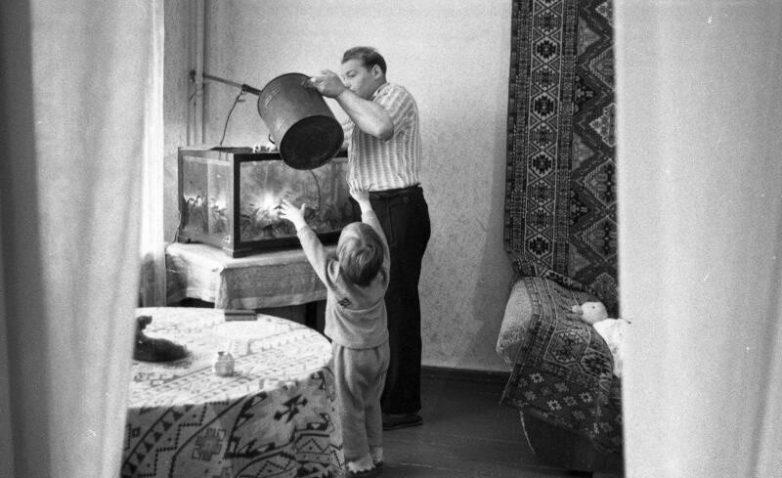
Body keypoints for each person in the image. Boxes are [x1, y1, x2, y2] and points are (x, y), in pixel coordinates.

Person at [309, 46, 431, 430]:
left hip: (396, 207)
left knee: (396, 304)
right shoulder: (356, 108)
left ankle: (400, 406)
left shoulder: (394, 95)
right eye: (343, 76)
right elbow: (333, 146)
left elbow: (381, 128)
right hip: (367, 206)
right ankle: (367, 397)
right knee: (367, 300)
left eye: (352, 74)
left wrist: (339, 92)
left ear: (376, 72)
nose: (345, 82)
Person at [278, 184, 390, 477]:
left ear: (341, 257)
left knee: (348, 407)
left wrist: (299, 222)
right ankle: (376, 450)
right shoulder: (383, 272)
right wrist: (365, 204)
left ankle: (358, 458)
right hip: (380, 349)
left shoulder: (336, 278)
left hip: (349, 354)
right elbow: (379, 239)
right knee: (371, 401)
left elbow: (315, 252)